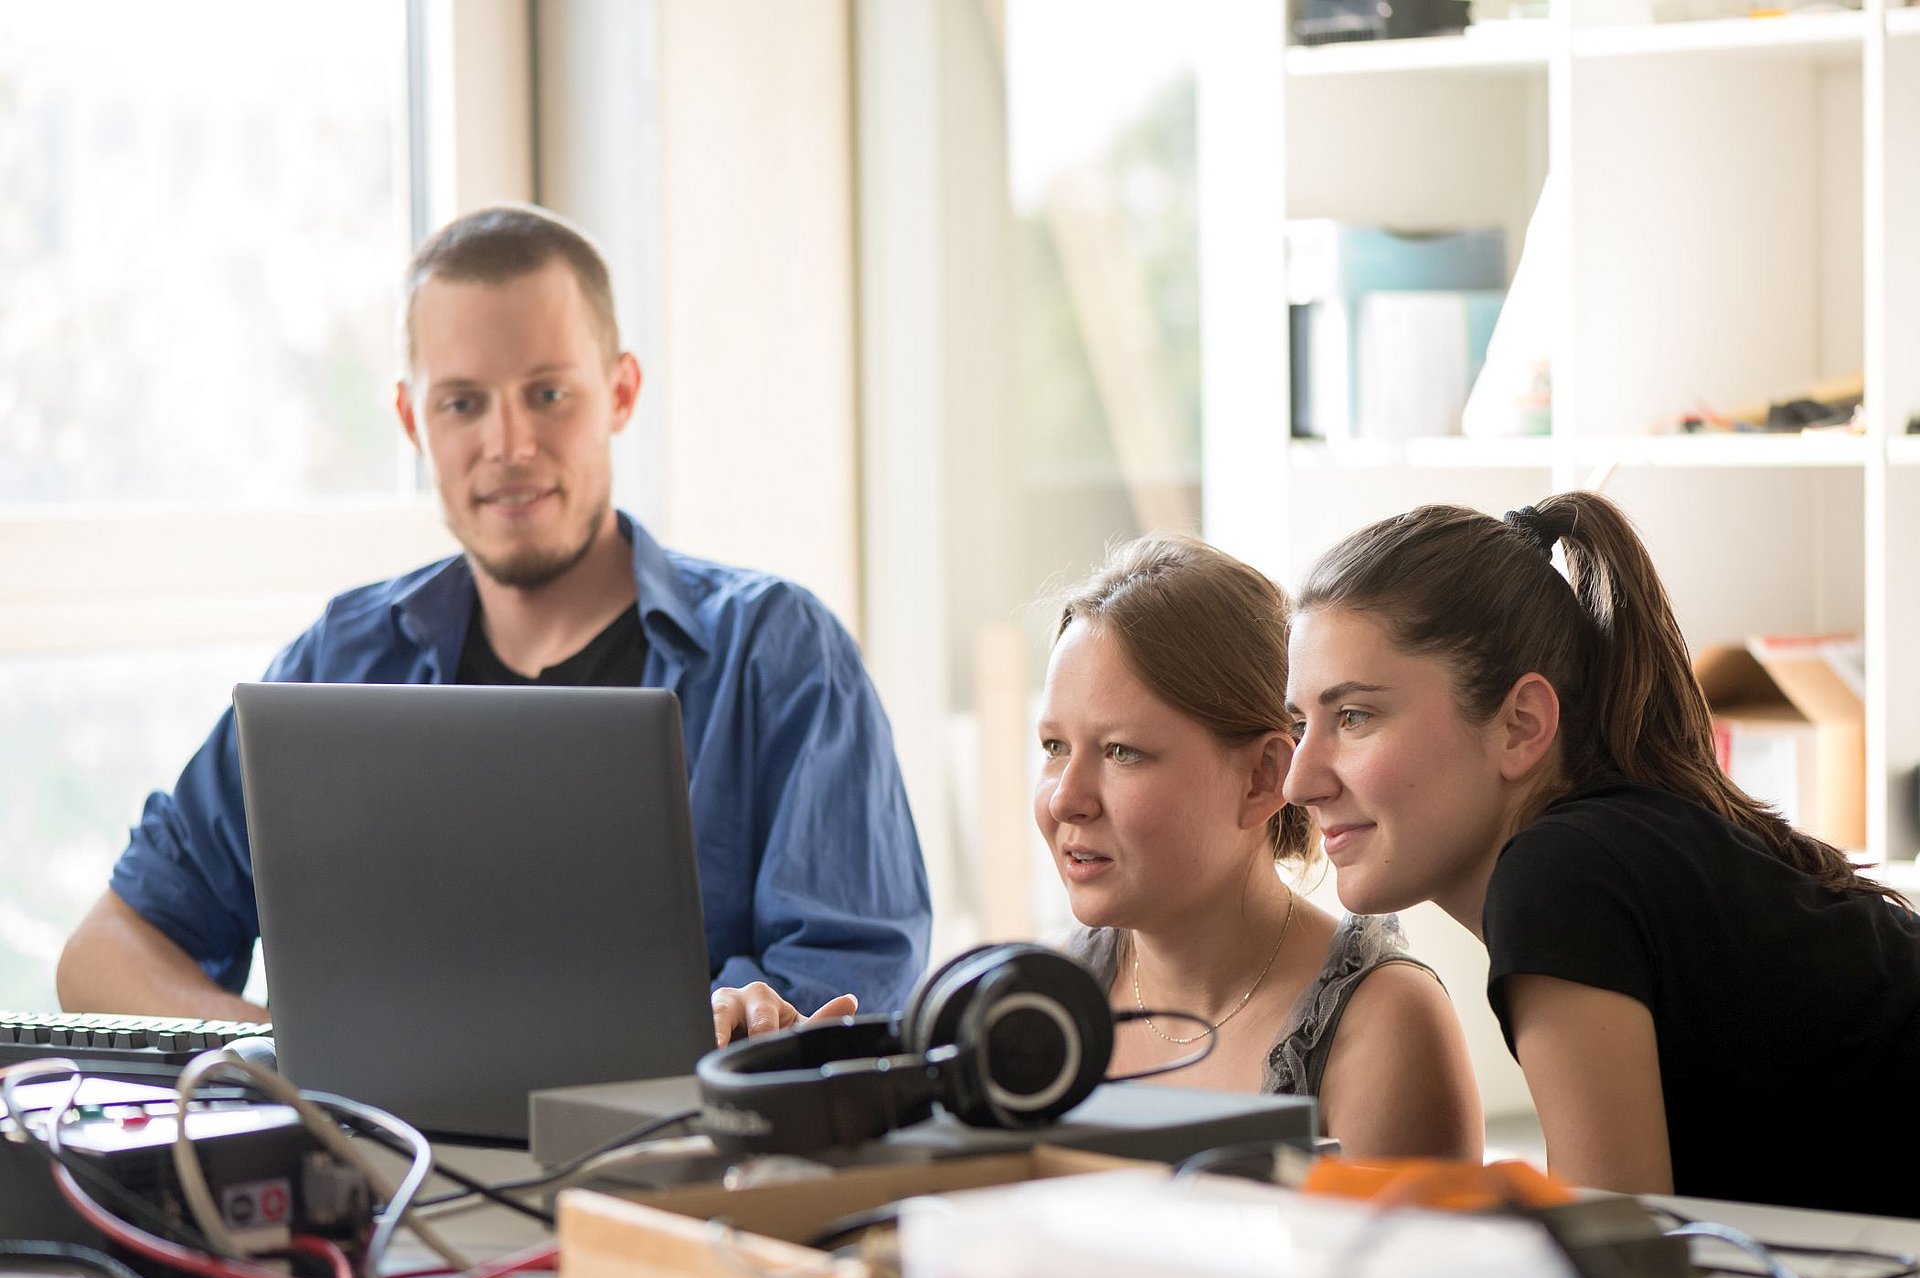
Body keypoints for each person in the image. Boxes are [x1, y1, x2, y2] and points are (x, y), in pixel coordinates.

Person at [56, 204, 930, 1028]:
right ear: (411, 419)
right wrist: (296, 1061)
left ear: (620, 393)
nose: (508, 445)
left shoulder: (777, 654)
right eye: (462, 403)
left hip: (670, 1183)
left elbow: (856, 989)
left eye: (548, 394)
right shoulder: (336, 662)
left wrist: (747, 1019)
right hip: (383, 1180)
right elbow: (106, 956)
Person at [718, 536, 1484, 1162]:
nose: (1064, 798)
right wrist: (788, 1089)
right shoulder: (1031, 1008)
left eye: (1120, 753)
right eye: (1054, 746)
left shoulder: (1382, 1028)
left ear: (1263, 778)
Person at [1282, 492, 1920, 1216]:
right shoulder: (1621, 844)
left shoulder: (1559, 876)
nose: (1299, 779)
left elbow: (1623, 1262)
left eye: (1355, 717)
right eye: (1300, 724)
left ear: (1522, 724)